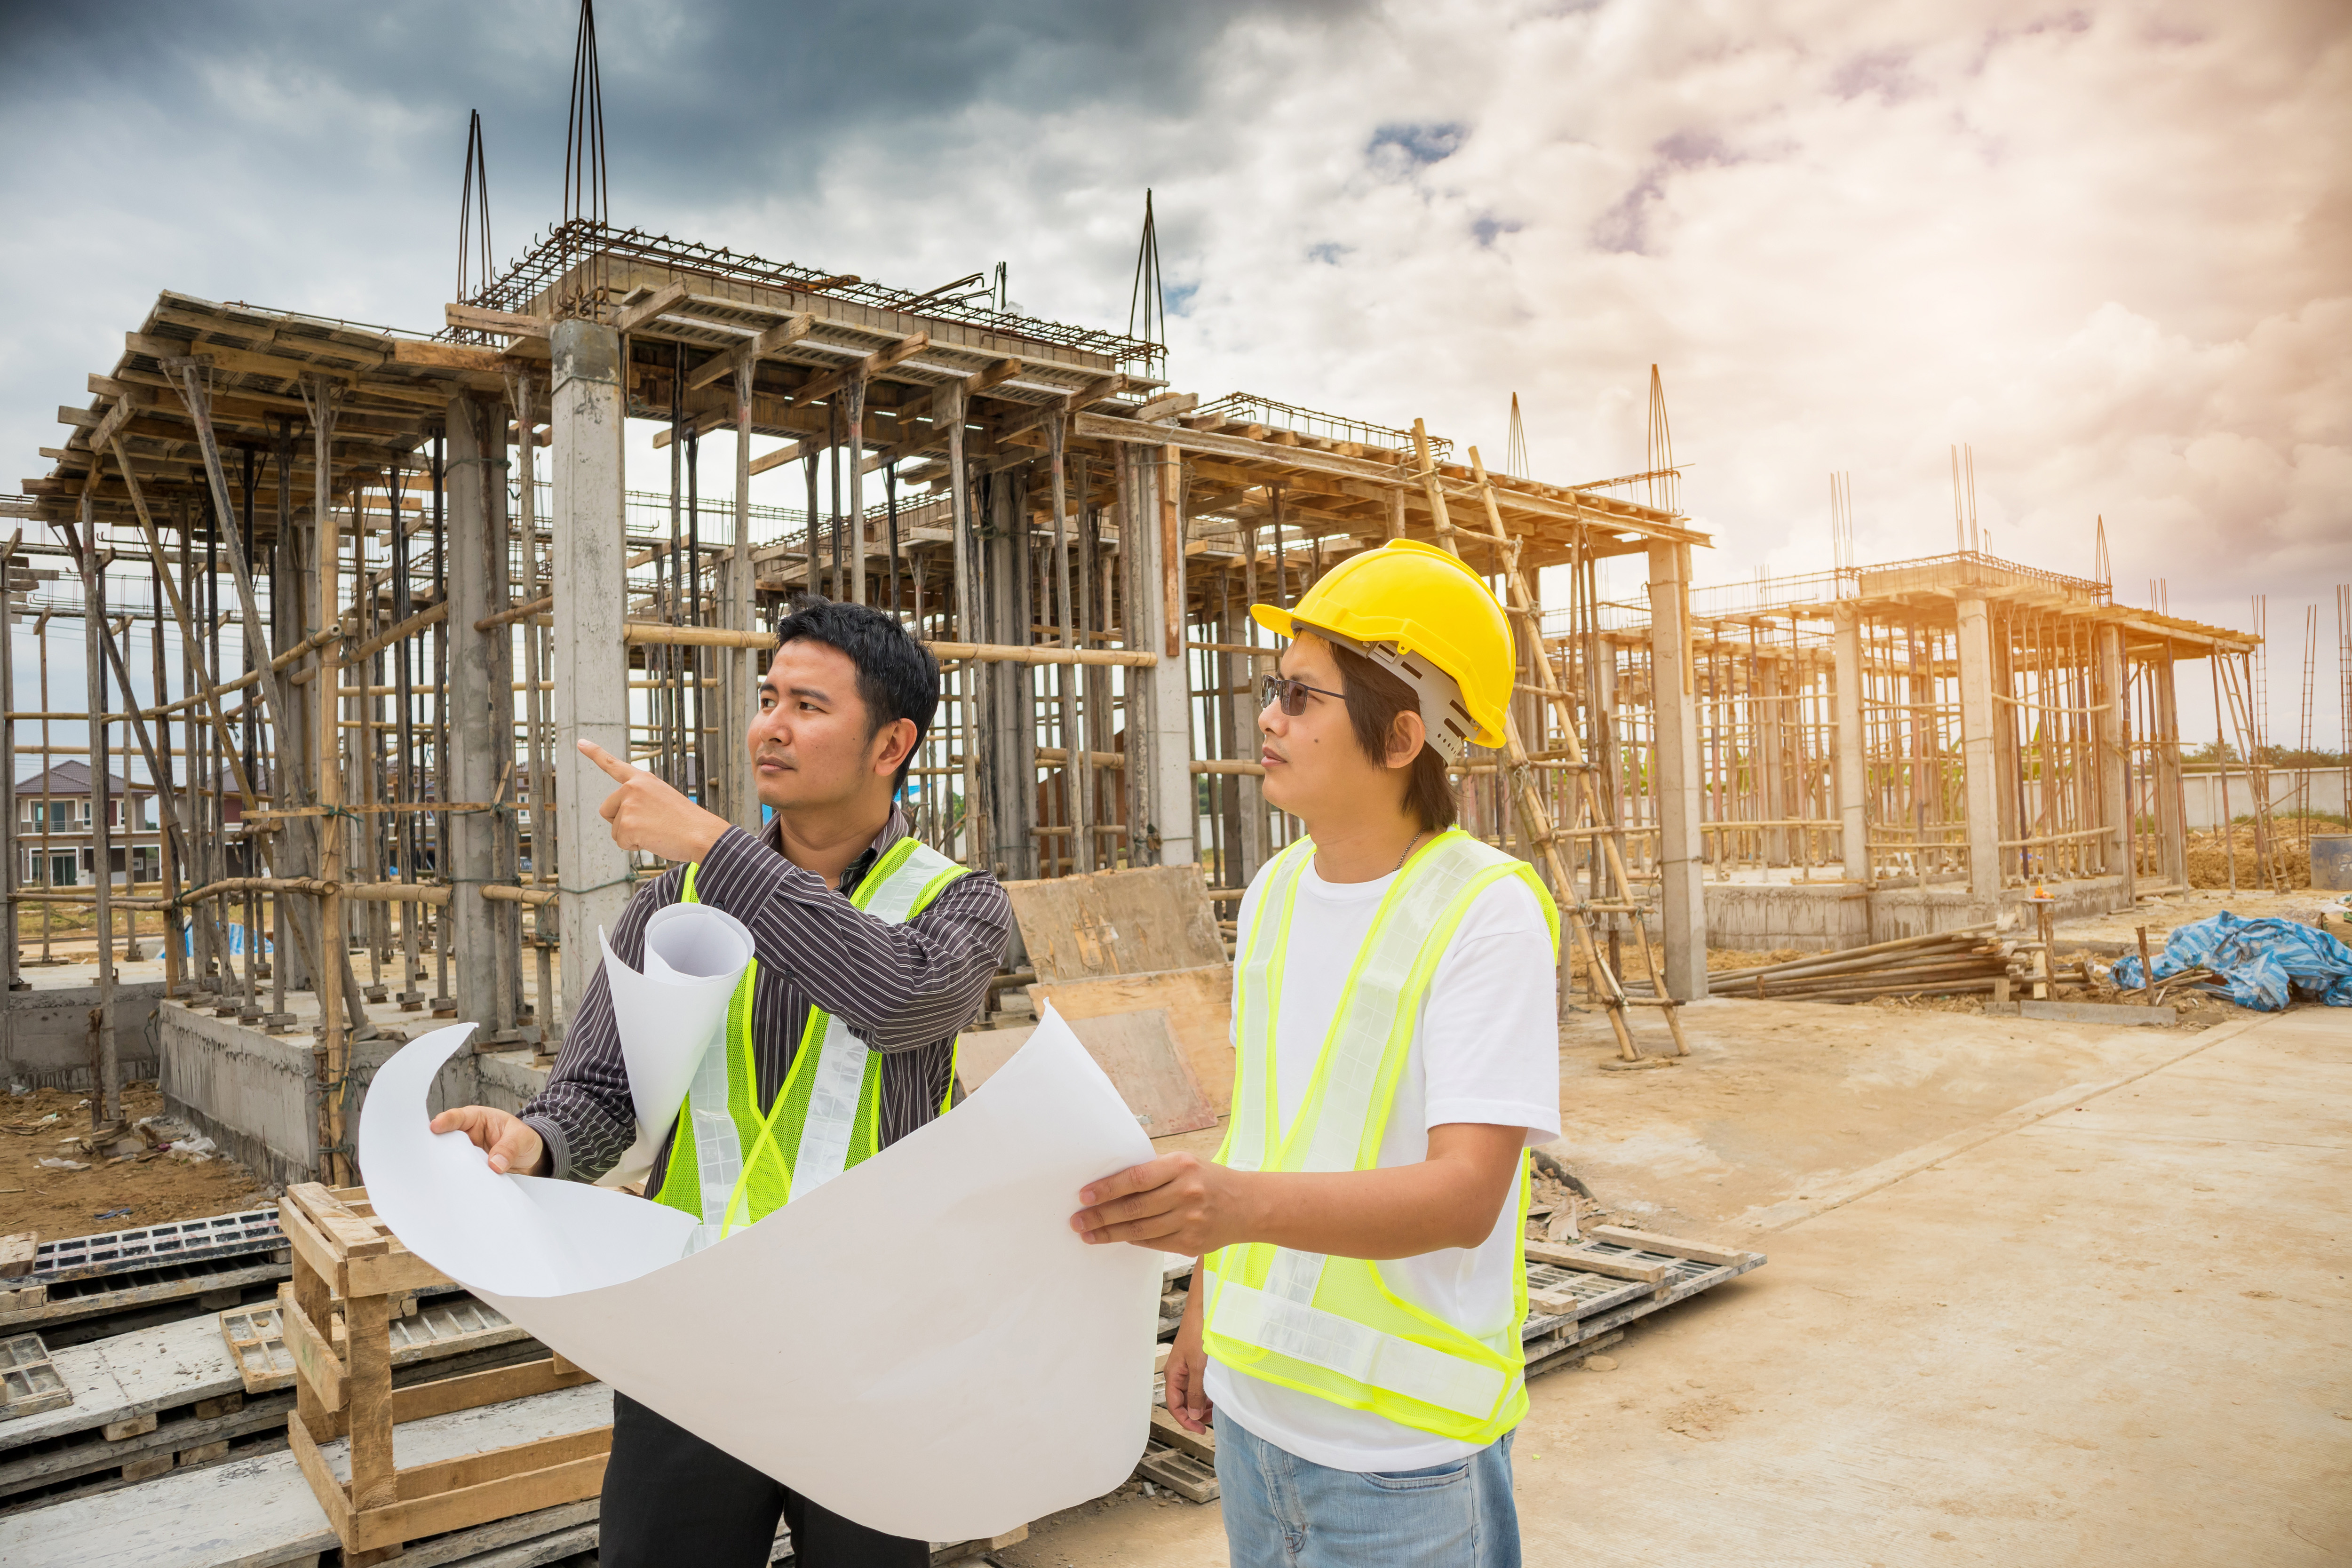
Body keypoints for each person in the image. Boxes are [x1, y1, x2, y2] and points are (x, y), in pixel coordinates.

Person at [431, 599, 1011, 1568]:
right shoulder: (671, 905)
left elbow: (901, 1001)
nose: (771, 725)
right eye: (768, 697)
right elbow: (604, 1090)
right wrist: (534, 1139)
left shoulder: (953, 902)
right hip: (694, 1333)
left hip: (868, 1341)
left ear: (891, 742)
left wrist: (714, 844)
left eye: (809, 705)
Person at [1069, 539, 1560, 1568]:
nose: (1267, 716)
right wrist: (1210, 1295)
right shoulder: (1279, 889)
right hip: (1257, 1418)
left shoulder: (1487, 912)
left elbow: (1467, 1191)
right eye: (1270, 688)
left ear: (1401, 735)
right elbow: (1267, 1123)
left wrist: (1231, 1207)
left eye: (1301, 695)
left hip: (1401, 1456)